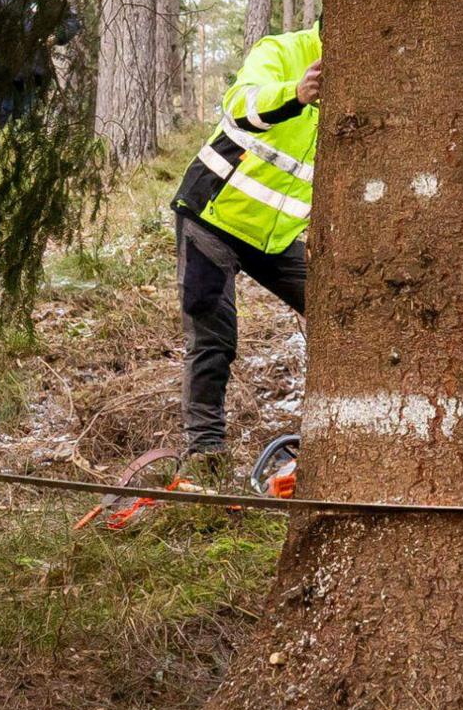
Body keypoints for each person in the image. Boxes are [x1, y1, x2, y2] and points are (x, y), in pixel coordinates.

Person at [101, 26, 320, 523]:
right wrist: (297, 93)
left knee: (337, 314)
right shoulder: (283, 50)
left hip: (277, 236)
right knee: (213, 334)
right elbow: (241, 103)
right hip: (213, 214)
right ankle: (208, 458)